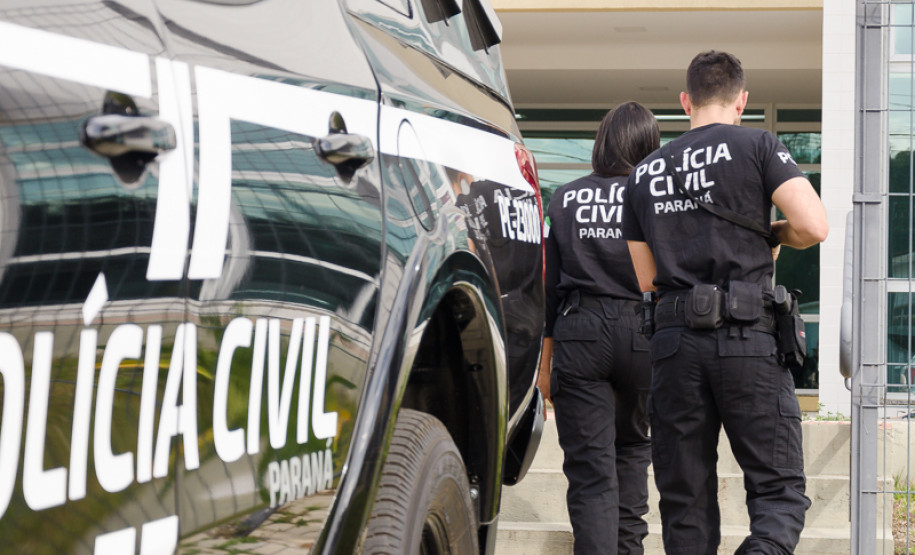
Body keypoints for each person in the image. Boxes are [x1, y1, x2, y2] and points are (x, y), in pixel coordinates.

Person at [621, 50, 829, 554]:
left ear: (685, 101)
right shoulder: (758, 145)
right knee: (778, 492)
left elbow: (647, 279)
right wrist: (771, 233)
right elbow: (813, 226)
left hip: (673, 344)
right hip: (747, 335)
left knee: (684, 501)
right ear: (742, 101)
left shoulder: (643, 173)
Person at [537, 101, 659, 554]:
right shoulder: (654, 197)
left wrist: (544, 365)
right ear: (648, 145)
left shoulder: (565, 198)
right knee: (633, 452)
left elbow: (550, 286)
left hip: (581, 332)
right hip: (643, 331)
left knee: (591, 473)